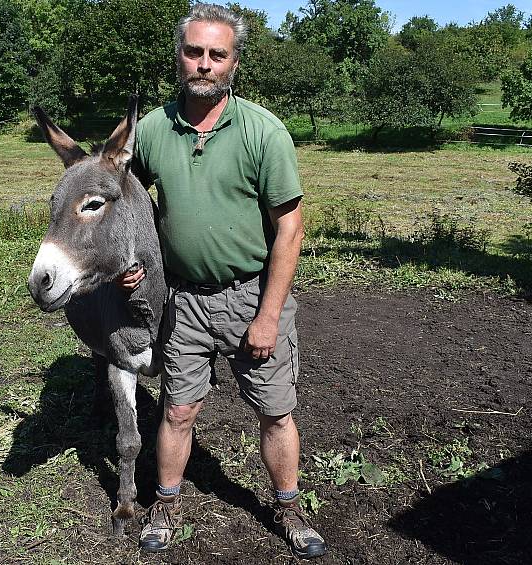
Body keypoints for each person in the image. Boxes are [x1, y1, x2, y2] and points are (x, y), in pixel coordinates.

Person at [120, 4, 326, 560]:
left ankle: (288, 506)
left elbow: (289, 228)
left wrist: (266, 314)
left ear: (234, 62)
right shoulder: (153, 130)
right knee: (178, 409)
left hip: (251, 296)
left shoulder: (264, 131)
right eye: (194, 52)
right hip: (181, 299)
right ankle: (166, 503)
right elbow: (127, 208)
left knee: (274, 410)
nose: (204, 64)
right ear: (179, 56)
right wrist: (133, 262)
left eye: (217, 54)